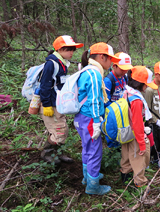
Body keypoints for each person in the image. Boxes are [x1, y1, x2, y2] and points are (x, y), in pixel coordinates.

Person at [73, 42, 120, 195]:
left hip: (81, 117)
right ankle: (93, 186)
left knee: (86, 148)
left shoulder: (87, 70)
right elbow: (93, 100)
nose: (112, 62)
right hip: (89, 119)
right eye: (110, 59)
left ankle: (88, 177)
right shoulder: (94, 74)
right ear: (101, 57)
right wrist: (97, 122)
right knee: (95, 151)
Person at [40, 35, 83, 165]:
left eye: (73, 49)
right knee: (59, 132)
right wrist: (46, 104)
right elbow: (45, 85)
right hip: (50, 104)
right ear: (59, 49)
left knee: (63, 129)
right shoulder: (51, 64)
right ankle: (46, 153)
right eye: (68, 49)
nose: (71, 52)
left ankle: (57, 153)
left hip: (58, 103)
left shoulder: (63, 63)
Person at [120, 66, 158, 187]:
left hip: (125, 130)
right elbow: (137, 123)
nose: (147, 87)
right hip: (135, 133)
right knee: (138, 158)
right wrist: (142, 143)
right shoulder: (136, 100)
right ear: (140, 83)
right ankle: (139, 182)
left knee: (126, 154)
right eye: (146, 84)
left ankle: (125, 175)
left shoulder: (126, 91)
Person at [104, 52, 133, 149]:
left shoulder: (124, 78)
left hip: (122, 112)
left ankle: (121, 150)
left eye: (126, 69)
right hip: (112, 113)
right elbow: (105, 100)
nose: (124, 71)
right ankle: (112, 151)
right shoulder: (108, 80)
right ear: (114, 66)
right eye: (122, 69)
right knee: (112, 133)